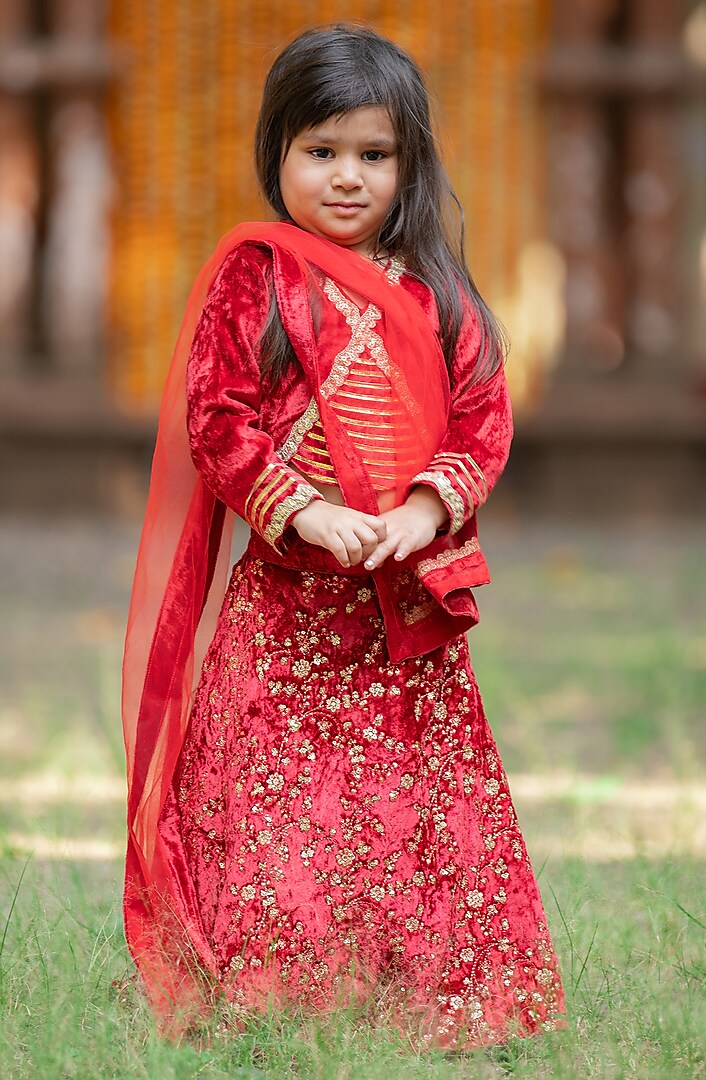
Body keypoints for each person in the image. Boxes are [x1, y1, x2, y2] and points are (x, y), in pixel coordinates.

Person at [122, 23, 564, 1050]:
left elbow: (480, 419)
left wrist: (420, 511)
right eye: (322, 152)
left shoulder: (437, 290)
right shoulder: (256, 276)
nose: (349, 178)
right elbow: (218, 417)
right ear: (277, 153)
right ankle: (277, 994)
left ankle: (425, 998)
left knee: (407, 802)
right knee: (275, 801)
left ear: (409, 161)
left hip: (397, 609)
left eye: (375, 154)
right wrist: (305, 510)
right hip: (284, 612)